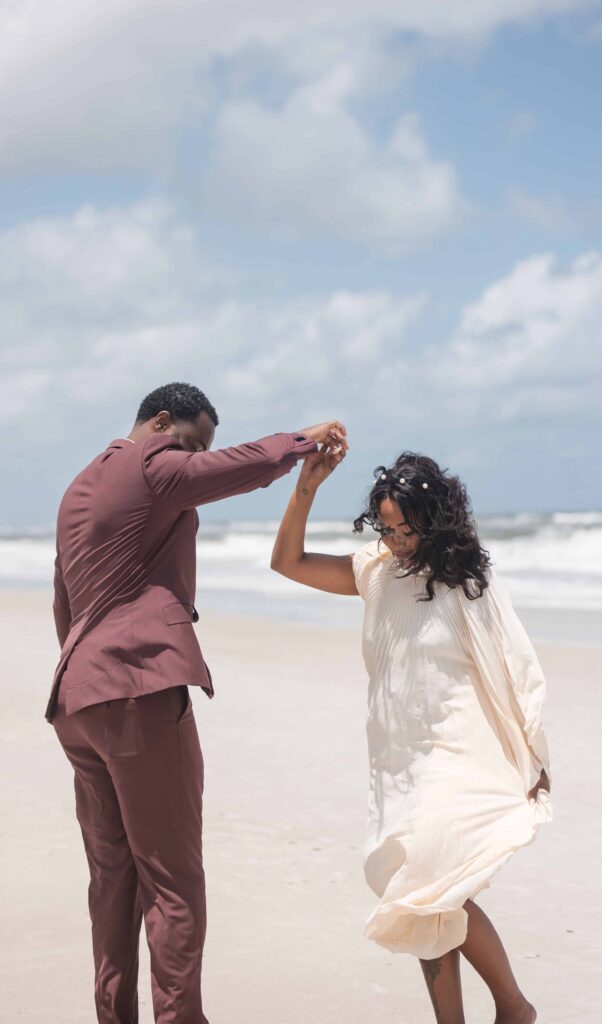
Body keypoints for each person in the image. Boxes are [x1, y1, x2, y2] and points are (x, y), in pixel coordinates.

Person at [48, 380, 348, 1024]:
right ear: (161, 424)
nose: (192, 461)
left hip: (79, 700)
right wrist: (303, 441)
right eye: (191, 444)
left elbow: (64, 603)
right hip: (138, 689)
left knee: (112, 877)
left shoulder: (78, 487)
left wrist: (87, 682)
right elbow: (231, 468)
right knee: (172, 880)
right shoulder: (152, 465)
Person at [271, 445, 552, 1024]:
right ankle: (487, 1015)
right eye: (386, 527)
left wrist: (533, 751)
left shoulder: (467, 582)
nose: (396, 540)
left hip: (458, 751)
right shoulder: (374, 572)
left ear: (434, 519)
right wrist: (306, 488)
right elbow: (288, 562)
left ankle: (513, 1007)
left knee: (427, 887)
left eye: (406, 528)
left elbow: (515, 666)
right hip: (399, 759)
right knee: (420, 893)